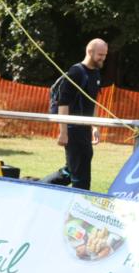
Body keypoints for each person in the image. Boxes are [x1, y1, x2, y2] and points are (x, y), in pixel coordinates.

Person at [45, 39, 107, 191]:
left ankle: (40, 186)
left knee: (72, 170)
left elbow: (93, 103)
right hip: (73, 129)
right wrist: (63, 132)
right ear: (90, 52)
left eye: (105, 55)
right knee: (81, 175)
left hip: (84, 129)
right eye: (100, 54)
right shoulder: (76, 72)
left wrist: (94, 127)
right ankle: (81, 205)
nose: (103, 58)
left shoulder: (96, 73)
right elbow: (63, 104)